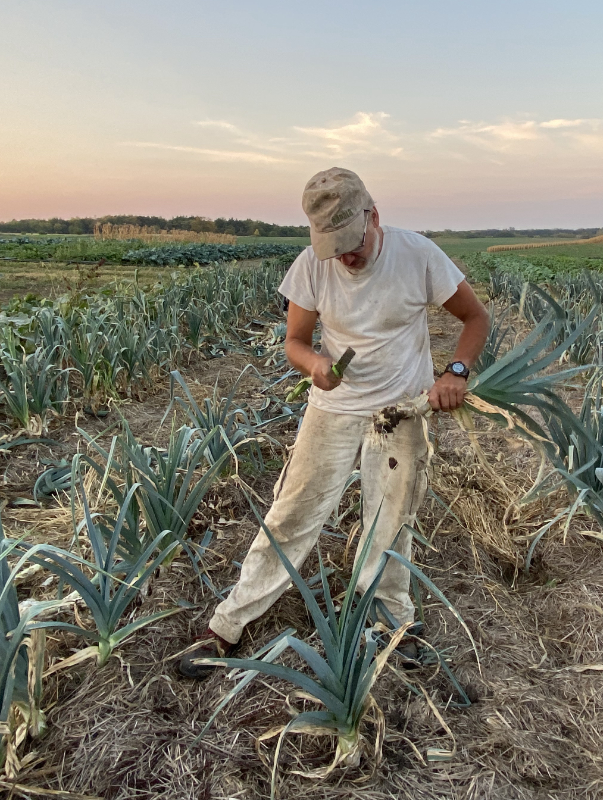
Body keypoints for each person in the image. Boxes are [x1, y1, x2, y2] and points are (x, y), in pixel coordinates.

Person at [178, 167, 489, 678]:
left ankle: (392, 624)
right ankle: (228, 623)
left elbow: (476, 318)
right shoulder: (312, 266)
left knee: (391, 520)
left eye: (354, 243)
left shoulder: (419, 256)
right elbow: (295, 342)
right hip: (333, 409)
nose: (346, 257)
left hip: (400, 412)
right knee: (292, 512)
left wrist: (455, 371)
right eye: (334, 247)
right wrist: (314, 365)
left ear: (374, 217)